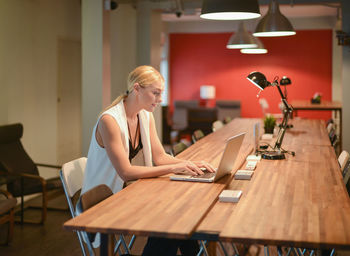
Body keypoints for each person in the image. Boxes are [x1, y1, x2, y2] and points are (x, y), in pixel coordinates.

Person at [81, 65, 215, 255]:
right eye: (155, 93)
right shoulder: (109, 121)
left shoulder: (145, 115)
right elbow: (125, 172)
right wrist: (174, 168)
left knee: (181, 214)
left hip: (126, 191)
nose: (160, 100)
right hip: (105, 202)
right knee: (170, 223)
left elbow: (159, 157)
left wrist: (189, 164)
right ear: (136, 89)